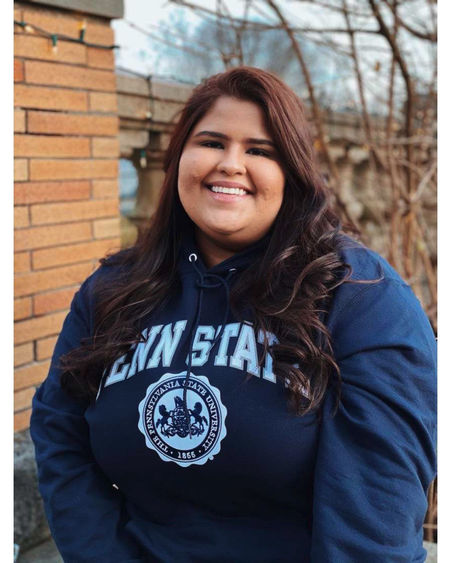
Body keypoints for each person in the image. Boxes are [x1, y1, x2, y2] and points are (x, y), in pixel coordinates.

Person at [30, 66, 436, 562]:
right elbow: (58, 429)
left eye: (260, 151)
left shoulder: (360, 296)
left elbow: (377, 517)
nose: (230, 164)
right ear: (179, 157)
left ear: (292, 172)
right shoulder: (113, 290)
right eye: (211, 142)